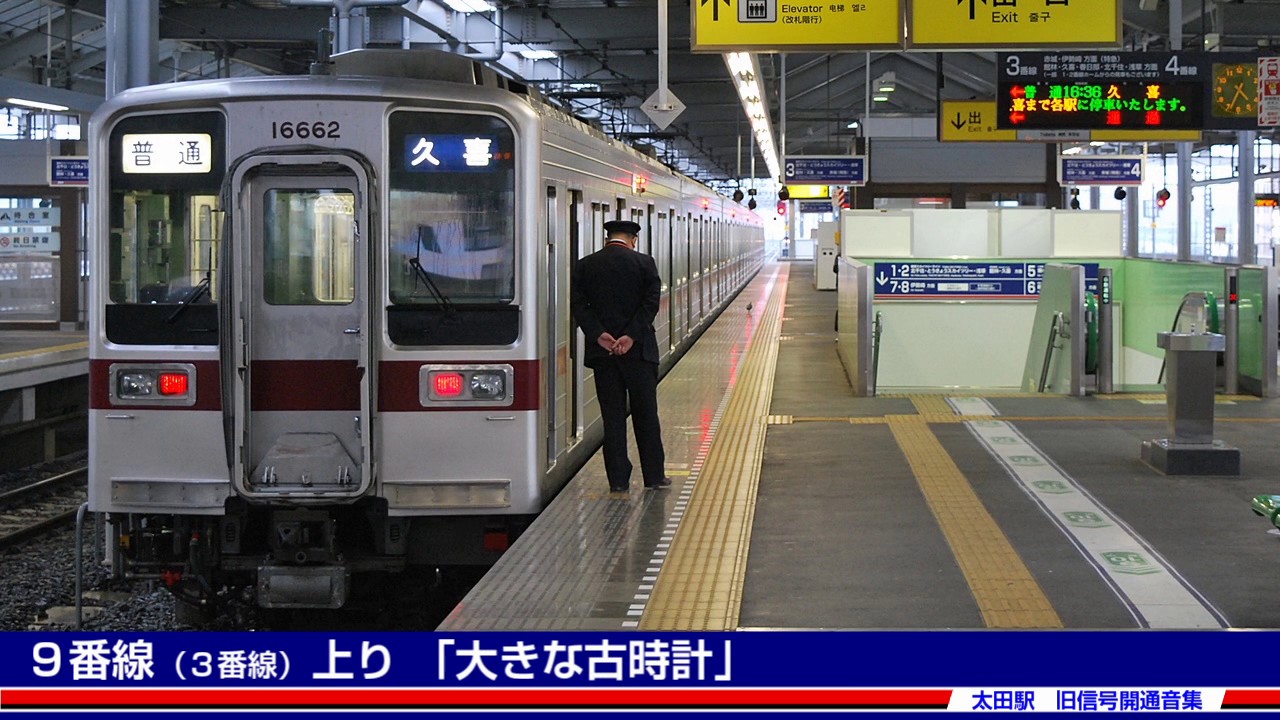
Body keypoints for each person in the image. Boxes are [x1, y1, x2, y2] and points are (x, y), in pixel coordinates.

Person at [570, 219, 671, 493]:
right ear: (632, 239)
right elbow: (650, 304)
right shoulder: (644, 263)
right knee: (646, 414)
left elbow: (579, 306)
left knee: (612, 418)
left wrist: (599, 334)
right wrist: (631, 336)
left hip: (604, 355)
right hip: (639, 353)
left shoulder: (585, 265)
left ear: (608, 238)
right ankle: (654, 476)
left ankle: (618, 480)